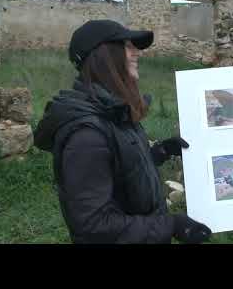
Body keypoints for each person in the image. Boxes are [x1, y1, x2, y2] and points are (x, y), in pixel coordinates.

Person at [34, 19, 211, 244]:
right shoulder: (86, 136)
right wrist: (171, 225)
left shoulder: (112, 110)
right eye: (127, 46)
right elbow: (93, 226)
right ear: (105, 56)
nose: (136, 52)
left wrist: (158, 153)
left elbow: (116, 167)